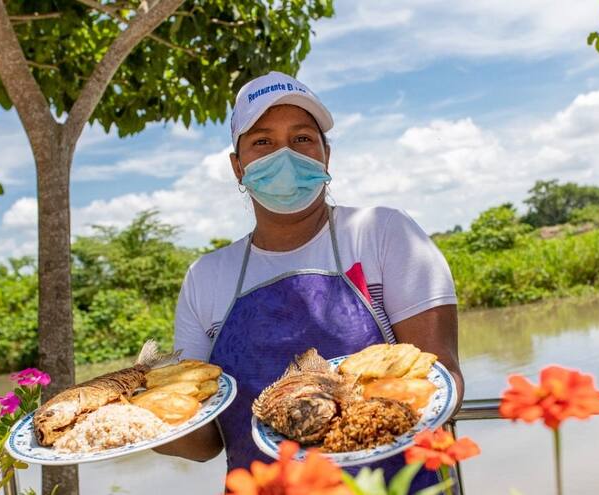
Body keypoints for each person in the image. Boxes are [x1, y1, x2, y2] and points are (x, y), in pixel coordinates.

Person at [155, 71, 463, 491]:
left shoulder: (383, 234)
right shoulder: (207, 277)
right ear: (237, 166)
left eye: (302, 138)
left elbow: (442, 377)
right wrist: (150, 422)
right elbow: (205, 442)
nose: (284, 154)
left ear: (325, 156)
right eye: (262, 142)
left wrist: (358, 429)